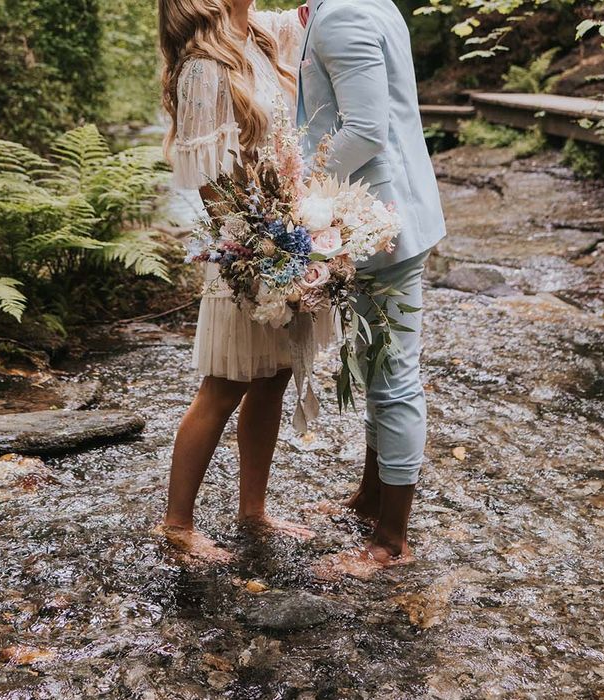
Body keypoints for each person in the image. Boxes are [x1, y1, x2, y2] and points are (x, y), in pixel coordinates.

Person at [157, 0, 325, 561]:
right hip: (245, 247)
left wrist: (294, 232)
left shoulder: (255, 32)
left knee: (273, 375)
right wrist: (253, 249)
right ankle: (178, 524)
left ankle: (253, 510)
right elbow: (208, 181)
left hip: (284, 232)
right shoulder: (204, 65)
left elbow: (309, 16)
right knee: (224, 384)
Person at [297, 0, 446, 573]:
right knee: (373, 361)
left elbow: (366, 128)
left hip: (382, 221)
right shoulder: (368, 3)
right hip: (376, 216)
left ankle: (391, 539)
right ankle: (368, 497)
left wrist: (295, 182)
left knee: (394, 376)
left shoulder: (344, 17)